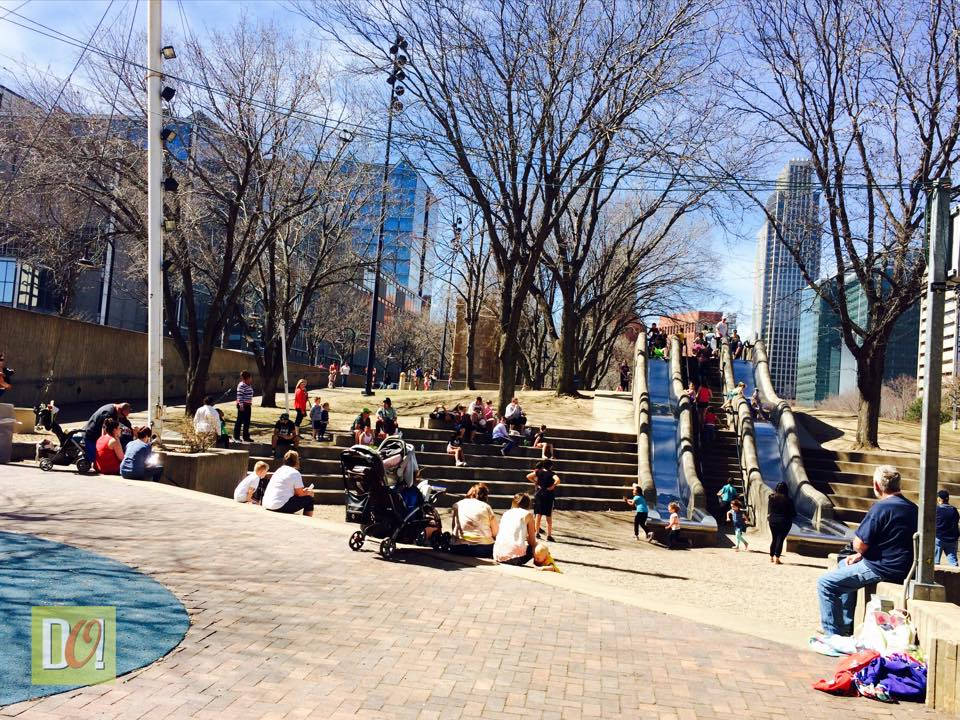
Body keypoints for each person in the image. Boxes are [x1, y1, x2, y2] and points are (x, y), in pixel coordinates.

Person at [816, 466, 917, 646]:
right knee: (844, 565)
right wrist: (860, 556)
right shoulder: (913, 508)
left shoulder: (881, 508)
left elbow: (859, 544)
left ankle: (833, 637)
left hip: (882, 568)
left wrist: (860, 553)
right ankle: (845, 629)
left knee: (825, 584)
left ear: (877, 485)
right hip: (904, 567)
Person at [493, 493, 546, 565]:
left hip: (497, 555)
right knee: (539, 547)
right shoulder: (528, 514)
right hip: (515, 558)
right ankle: (543, 564)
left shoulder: (506, 513)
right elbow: (532, 542)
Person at [450, 482, 498, 557]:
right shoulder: (486, 507)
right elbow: (495, 532)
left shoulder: (457, 505)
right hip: (483, 549)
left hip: (458, 547)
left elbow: (454, 528)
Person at [261, 451, 314, 515]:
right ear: (297, 461)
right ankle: (307, 521)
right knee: (309, 499)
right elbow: (300, 494)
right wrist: (308, 492)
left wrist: (303, 492)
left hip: (267, 503)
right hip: (279, 506)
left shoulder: (279, 470)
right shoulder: (295, 473)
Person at [528, 459, 559, 541]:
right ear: (550, 466)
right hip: (549, 495)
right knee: (549, 515)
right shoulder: (552, 473)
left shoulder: (539, 472)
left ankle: (537, 533)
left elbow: (528, 476)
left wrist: (535, 482)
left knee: (538, 514)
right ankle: (549, 535)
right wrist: (553, 485)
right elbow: (558, 480)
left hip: (539, 494)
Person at [767, 481, 796, 564]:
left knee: (774, 538)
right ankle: (777, 558)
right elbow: (793, 513)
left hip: (773, 521)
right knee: (780, 539)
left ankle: (771, 557)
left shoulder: (771, 497)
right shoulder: (789, 500)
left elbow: (770, 509)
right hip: (785, 521)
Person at [936, 489, 960, 566]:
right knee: (953, 562)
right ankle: (956, 577)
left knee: (935, 562)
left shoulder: (937, 509)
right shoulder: (954, 510)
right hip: (952, 539)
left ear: (939, 499)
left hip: (939, 538)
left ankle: (934, 577)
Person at [234, 371, 254, 442]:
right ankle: (236, 437)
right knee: (239, 421)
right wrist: (241, 406)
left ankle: (246, 437)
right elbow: (239, 396)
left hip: (248, 405)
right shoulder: (241, 385)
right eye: (250, 377)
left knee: (247, 422)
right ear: (247, 378)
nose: (251, 379)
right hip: (243, 405)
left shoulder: (248, 385)